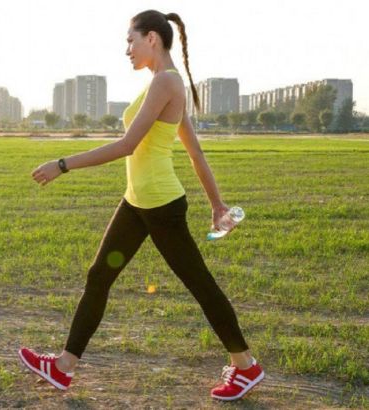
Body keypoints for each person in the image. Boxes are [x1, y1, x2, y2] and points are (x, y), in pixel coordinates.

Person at [18, 10, 264, 402]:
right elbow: (195, 152)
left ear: (152, 38)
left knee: (200, 284)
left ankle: (246, 365)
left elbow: (128, 145)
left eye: (130, 41)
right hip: (137, 201)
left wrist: (63, 165)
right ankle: (63, 367)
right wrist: (217, 204)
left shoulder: (167, 82)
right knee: (99, 275)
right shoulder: (161, 83)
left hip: (161, 205)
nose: (127, 50)